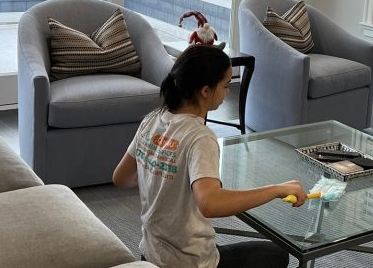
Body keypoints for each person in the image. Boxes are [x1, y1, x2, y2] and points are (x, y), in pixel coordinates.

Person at [113, 44, 307, 268]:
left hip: (151, 256)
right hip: (190, 262)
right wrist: (277, 189)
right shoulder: (200, 137)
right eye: (225, 85)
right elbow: (210, 204)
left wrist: (159, 173)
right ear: (206, 90)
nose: (227, 92)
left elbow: (121, 178)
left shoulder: (152, 119)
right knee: (277, 254)